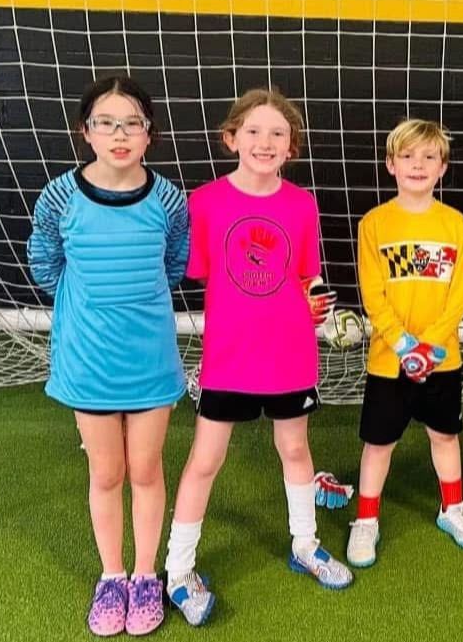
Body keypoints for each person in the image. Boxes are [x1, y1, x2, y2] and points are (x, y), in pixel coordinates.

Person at [162, 87, 351, 628]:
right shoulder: (204, 202)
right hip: (230, 357)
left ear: (292, 146)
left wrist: (319, 299)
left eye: (277, 133)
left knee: (295, 449)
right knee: (205, 461)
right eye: (253, 131)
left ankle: (306, 545)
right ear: (231, 139)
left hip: (291, 353)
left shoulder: (302, 202)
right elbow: (195, 270)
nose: (265, 142)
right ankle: (178, 572)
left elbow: (306, 272)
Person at [27, 75, 187, 636]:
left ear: (149, 135)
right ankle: (111, 575)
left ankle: (147, 577)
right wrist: (87, 310)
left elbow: (174, 264)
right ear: (86, 132)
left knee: (145, 469)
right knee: (107, 471)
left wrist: (135, 306)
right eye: (106, 122)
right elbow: (45, 264)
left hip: (149, 360)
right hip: (86, 360)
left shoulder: (167, 197)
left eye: (132, 123)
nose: (119, 134)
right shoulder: (59, 196)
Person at [345, 119, 463, 568]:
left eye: (429, 157)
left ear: (443, 167)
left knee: (444, 435)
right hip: (390, 360)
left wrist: (432, 345)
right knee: (379, 444)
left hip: (441, 359)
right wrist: (405, 345)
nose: (418, 165)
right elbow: (373, 293)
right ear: (390, 165)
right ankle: (366, 520)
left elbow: (462, 292)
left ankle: (453, 507)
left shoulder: (456, 224)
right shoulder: (374, 224)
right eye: (408, 156)